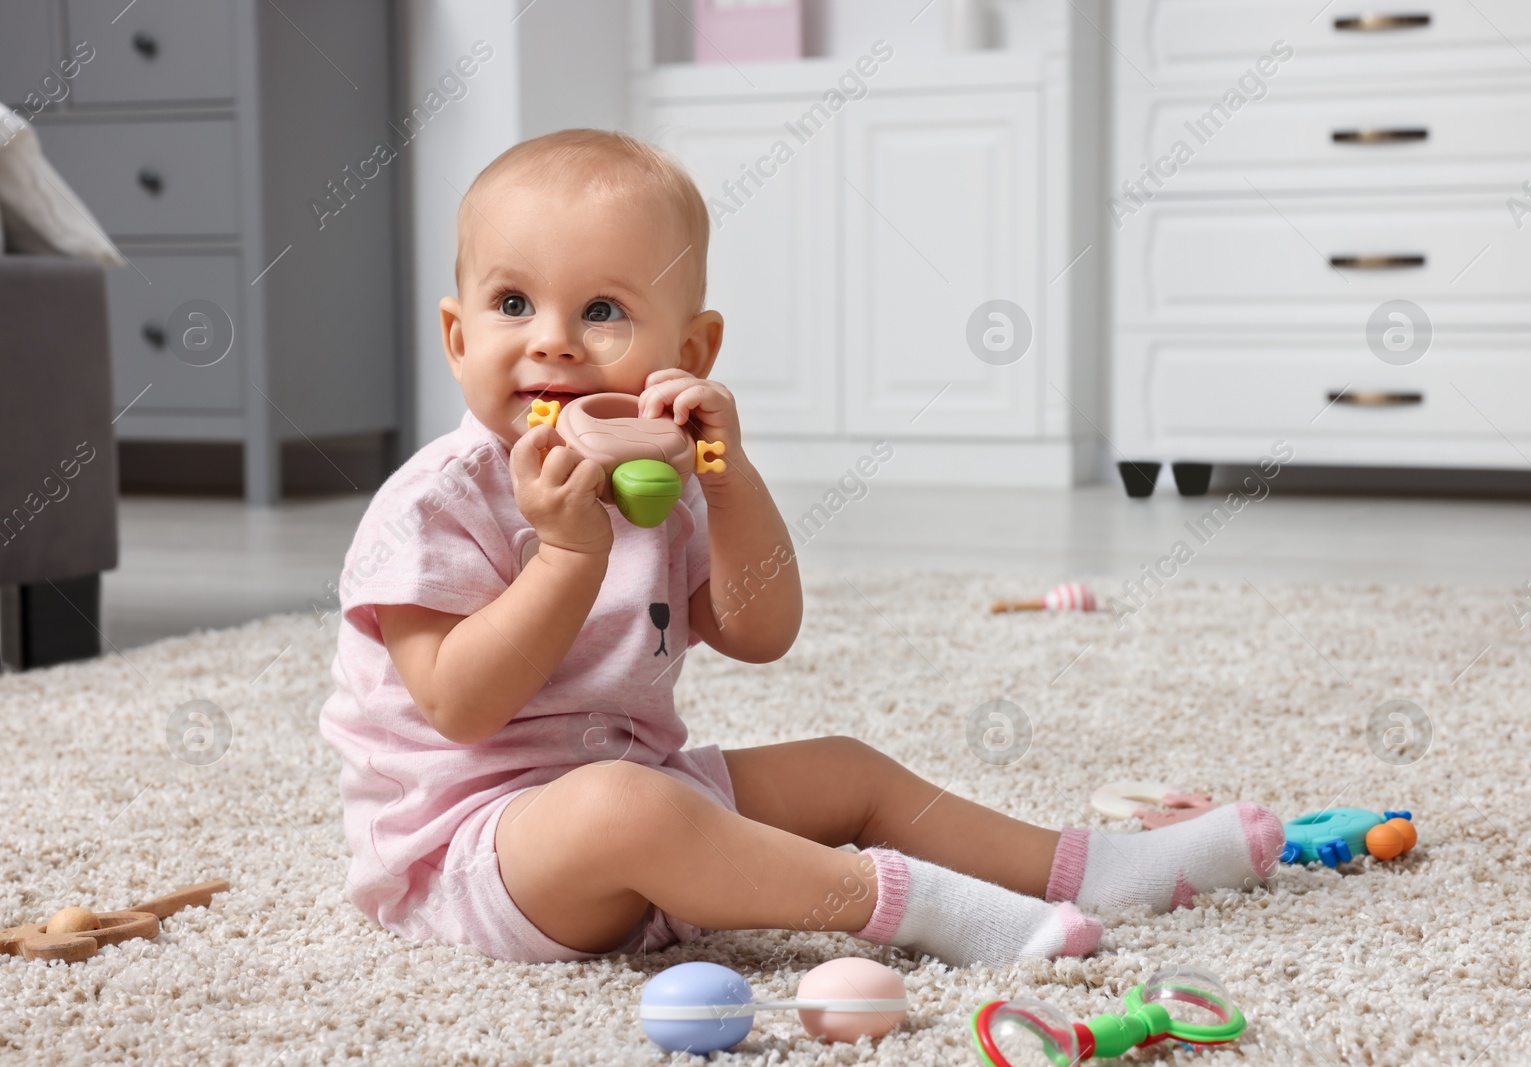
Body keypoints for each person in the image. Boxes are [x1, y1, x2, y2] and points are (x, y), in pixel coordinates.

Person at [318, 129, 1283, 968]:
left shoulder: (666, 475)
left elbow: (758, 630)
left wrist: (728, 476)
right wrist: (567, 558)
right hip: (474, 852)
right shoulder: (435, 502)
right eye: (514, 304)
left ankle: (1099, 868)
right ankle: (915, 906)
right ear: (456, 335)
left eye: (604, 311)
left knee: (843, 768)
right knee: (626, 808)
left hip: (644, 793)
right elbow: (457, 703)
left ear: (690, 356)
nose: (557, 344)